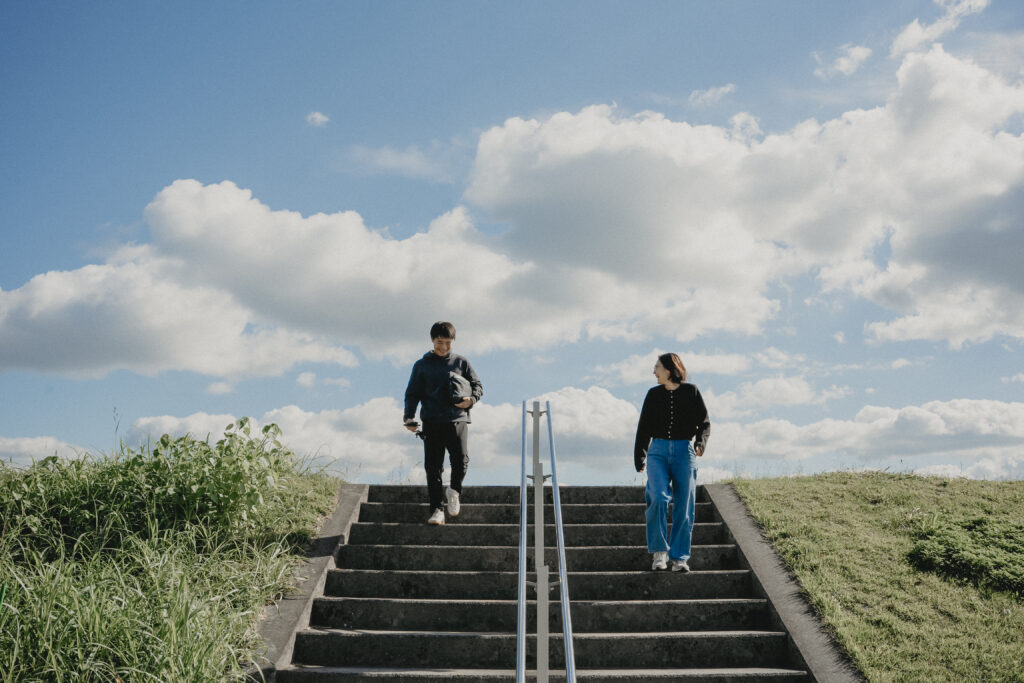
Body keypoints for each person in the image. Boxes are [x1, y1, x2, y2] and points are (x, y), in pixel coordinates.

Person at [634, 352, 710, 572]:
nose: (654, 371)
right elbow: (643, 426)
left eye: (657, 367)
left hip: (684, 452)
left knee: (684, 505)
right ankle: (659, 553)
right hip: (657, 451)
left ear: (668, 369)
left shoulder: (691, 392)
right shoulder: (653, 394)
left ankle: (679, 558)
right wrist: (640, 455)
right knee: (657, 496)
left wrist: (700, 444)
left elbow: (705, 423)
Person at [403, 321, 483, 525]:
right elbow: (412, 393)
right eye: (440, 342)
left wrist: (471, 400)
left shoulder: (461, 362)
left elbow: (477, 385)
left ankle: (454, 491)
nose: (444, 347)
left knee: (461, 460)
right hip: (431, 421)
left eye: (448, 342)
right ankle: (437, 510)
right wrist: (409, 418)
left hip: (457, 418)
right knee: (433, 467)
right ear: (432, 340)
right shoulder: (421, 365)